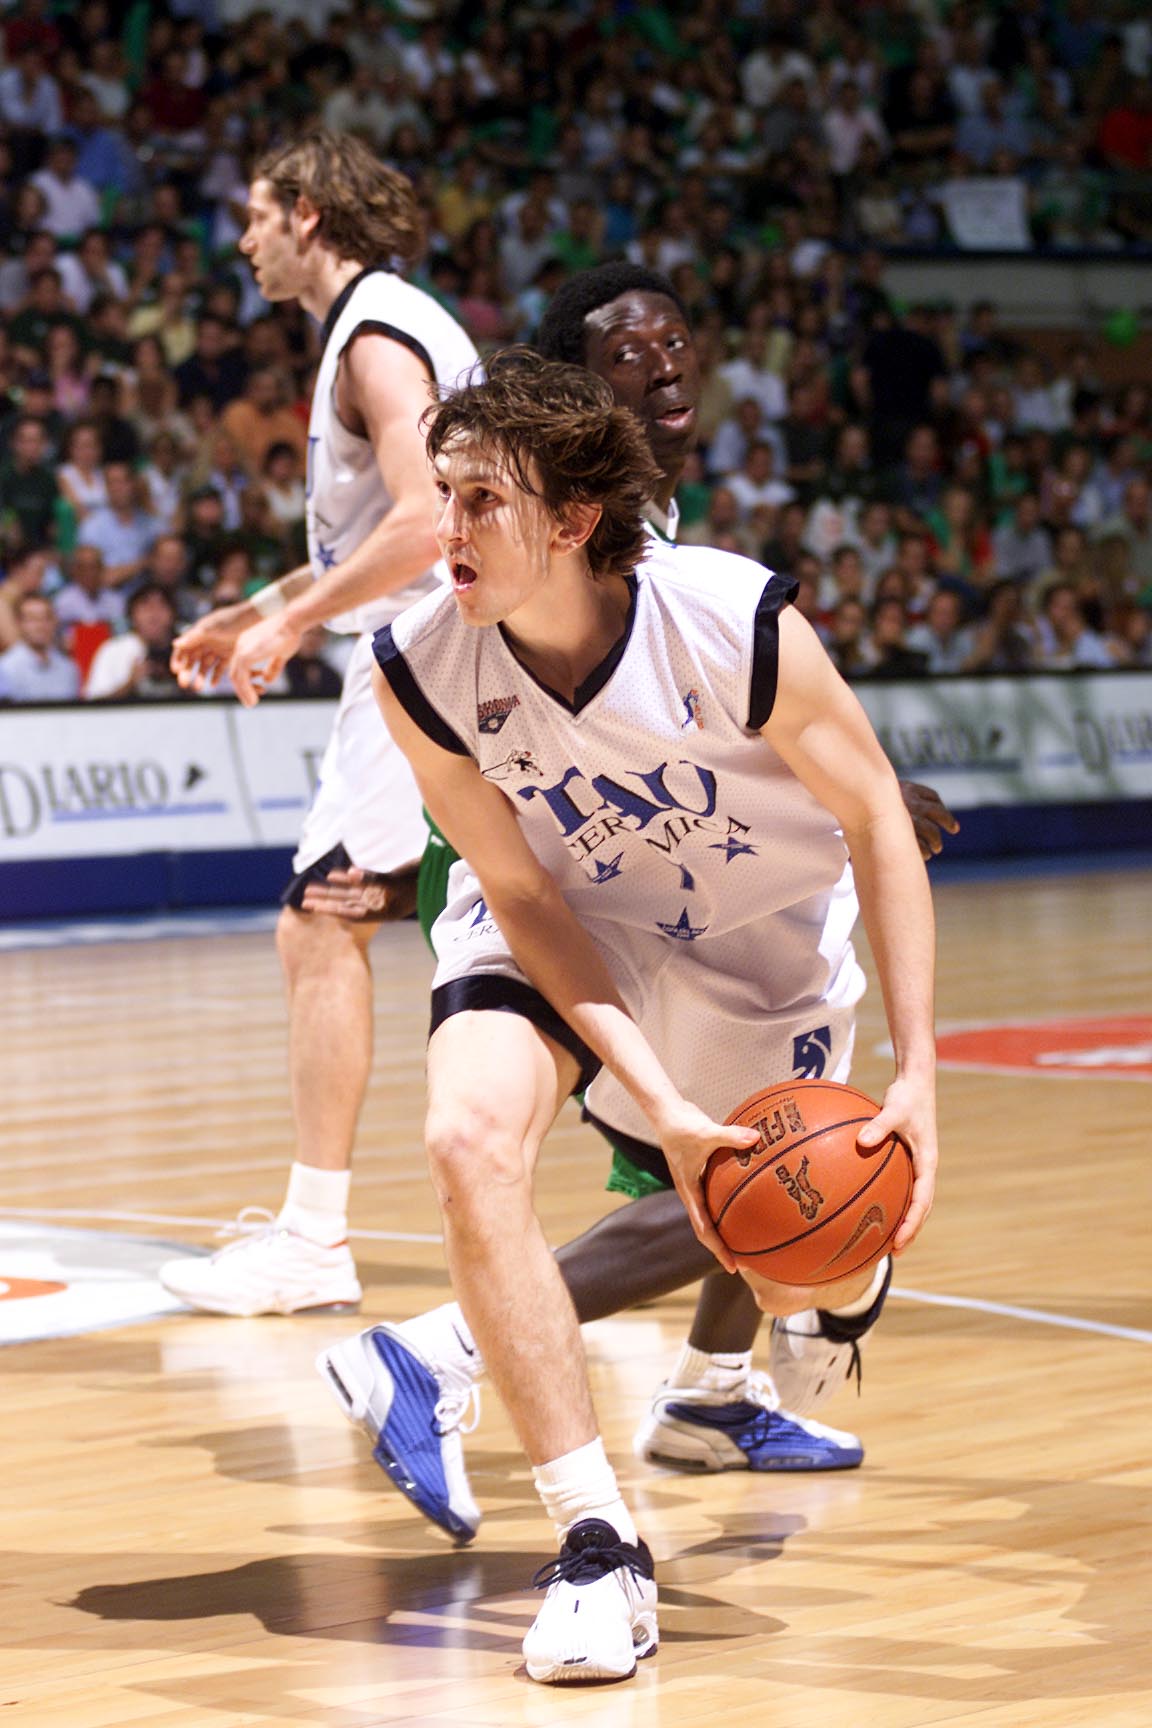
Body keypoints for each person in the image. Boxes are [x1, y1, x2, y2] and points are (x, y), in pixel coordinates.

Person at [319, 352, 937, 1684]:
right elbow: (522, 895)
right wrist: (653, 1097)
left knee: (789, 1258)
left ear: (573, 520)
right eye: (442, 494)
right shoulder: (419, 664)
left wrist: (922, 1075)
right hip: (568, 914)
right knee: (467, 1139)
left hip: (754, 942)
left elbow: (879, 817)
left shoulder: (726, 620)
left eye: (482, 500)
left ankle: (813, 1311)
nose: (447, 528)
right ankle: (597, 1542)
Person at [156, 131, 479, 1315]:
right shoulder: (392, 323)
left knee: (319, 923)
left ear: (306, 213)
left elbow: (423, 522)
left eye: (255, 216)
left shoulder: (377, 336)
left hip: (428, 648)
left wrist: (291, 627)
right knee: (536, 923)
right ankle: (680, 1187)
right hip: (464, 640)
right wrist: (258, 607)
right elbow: (378, 538)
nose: (243, 241)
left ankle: (312, 1240)